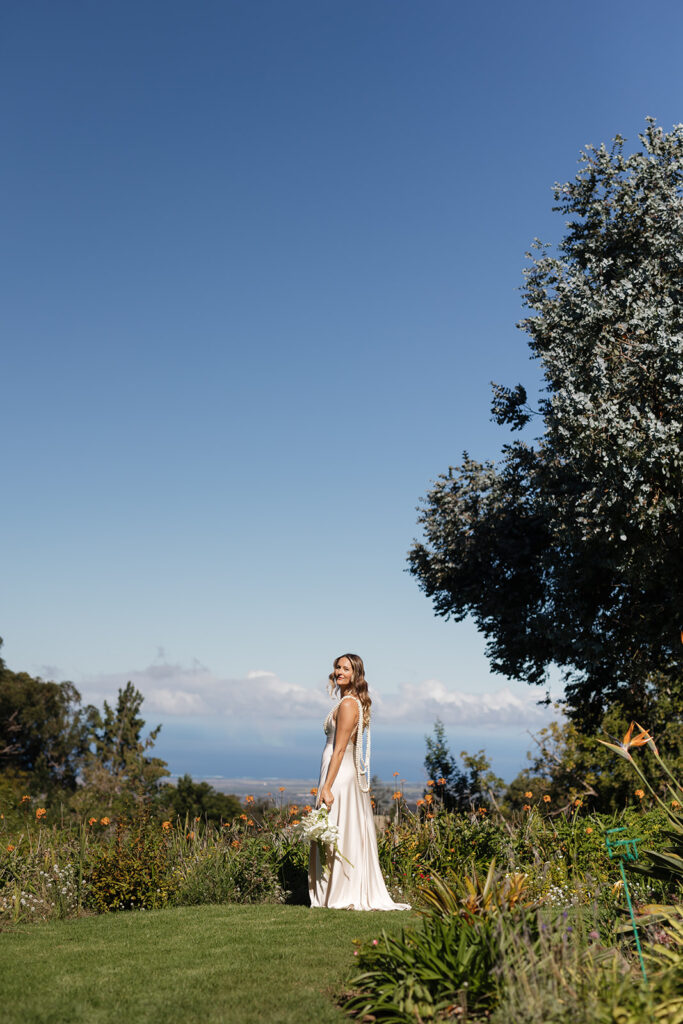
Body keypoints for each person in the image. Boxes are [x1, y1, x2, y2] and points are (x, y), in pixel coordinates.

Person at [309, 653, 411, 911]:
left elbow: (340, 749)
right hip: (337, 770)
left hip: (339, 774)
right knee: (336, 829)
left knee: (335, 829)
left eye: (346, 668)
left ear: (356, 674)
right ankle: (335, 890)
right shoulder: (349, 702)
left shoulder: (347, 705)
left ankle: (341, 892)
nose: (339, 672)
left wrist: (327, 786)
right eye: (338, 667)